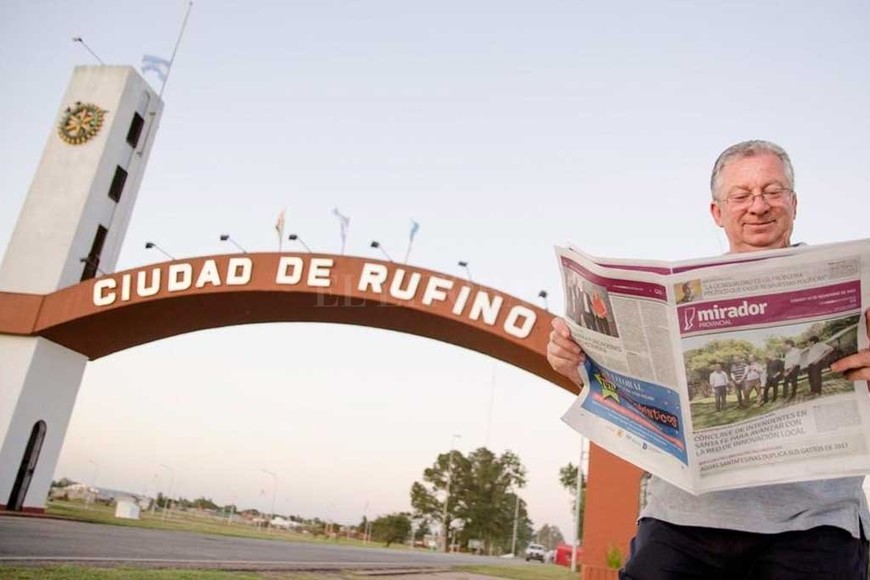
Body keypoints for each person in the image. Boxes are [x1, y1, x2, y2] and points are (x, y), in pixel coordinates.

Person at [547, 140, 870, 579]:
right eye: (741, 195)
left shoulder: (854, 282)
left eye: (772, 191)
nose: (758, 206)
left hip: (814, 521)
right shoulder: (677, 298)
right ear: (718, 212)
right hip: (684, 520)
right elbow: (634, 405)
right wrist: (576, 368)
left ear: (794, 203)